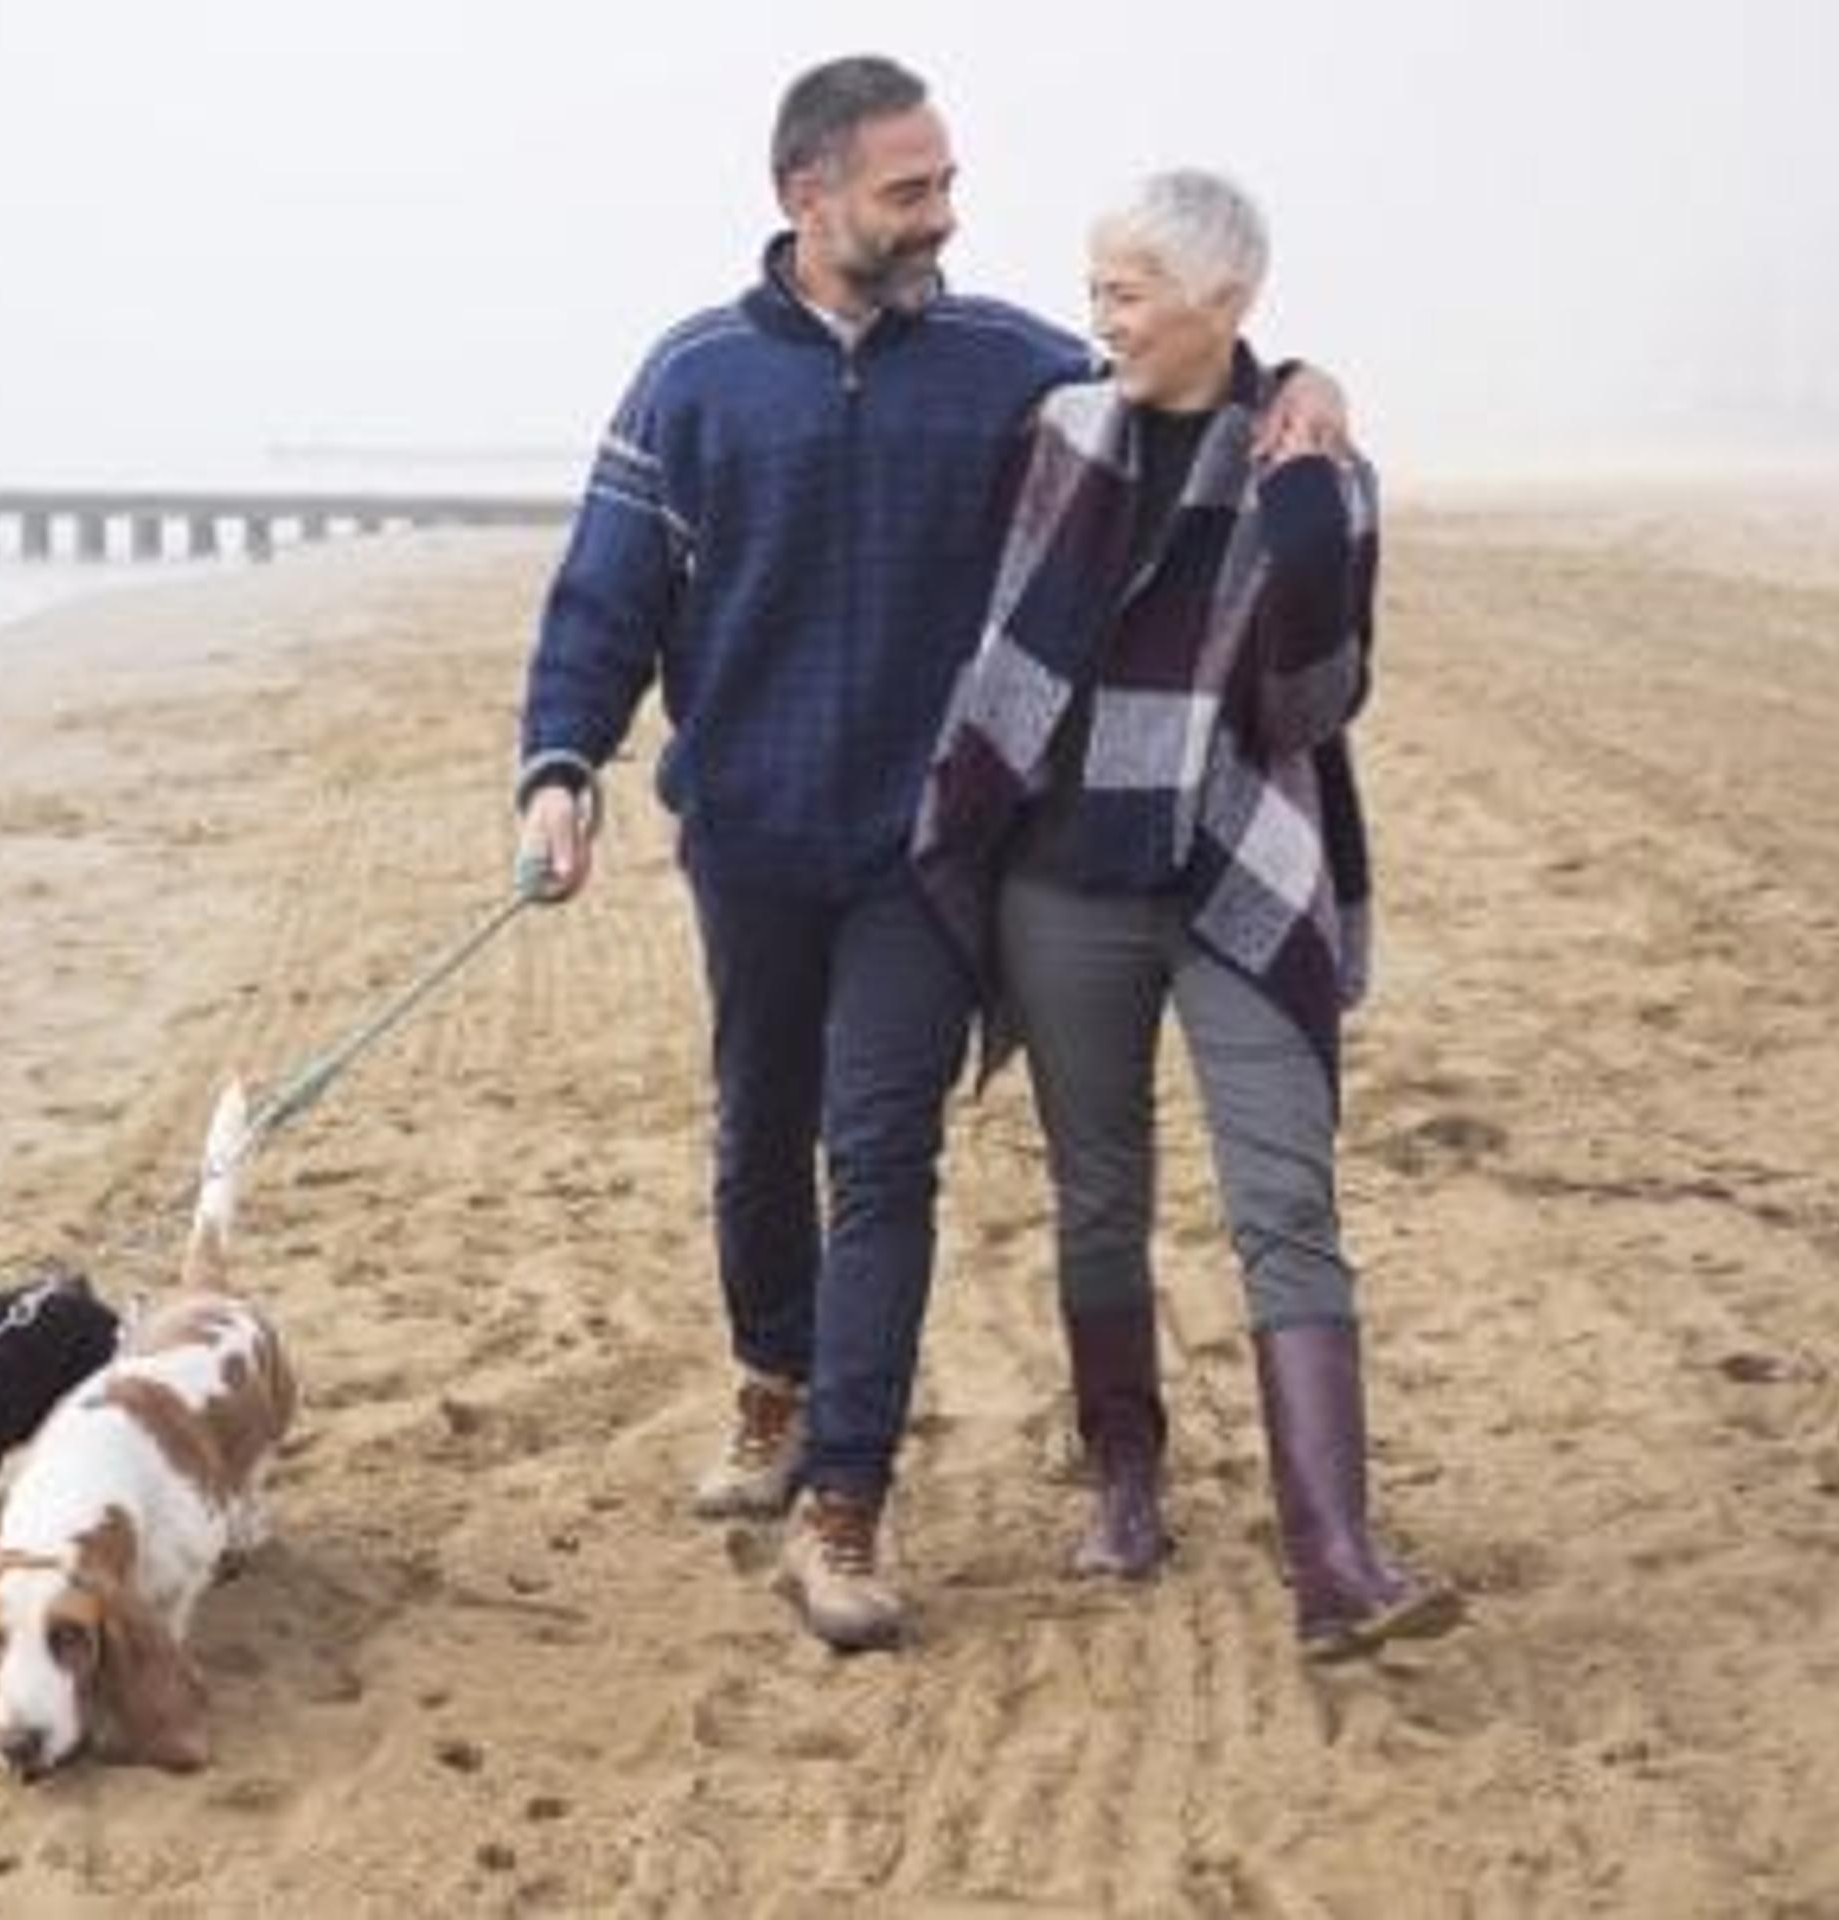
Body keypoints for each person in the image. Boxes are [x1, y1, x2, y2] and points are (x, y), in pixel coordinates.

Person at [511, 57, 1346, 1653]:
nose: (944, 214)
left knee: (882, 1152)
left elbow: (1176, 365)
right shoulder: (690, 378)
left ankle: (847, 1504)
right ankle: (774, 1383)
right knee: (759, 1135)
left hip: (923, 848)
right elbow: (604, 595)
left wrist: (1301, 379)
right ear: (805, 197)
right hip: (748, 836)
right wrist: (562, 768)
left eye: (947, 183)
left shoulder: (1004, 367)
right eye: (911, 189)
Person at [907, 168, 1458, 1660]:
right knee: (1102, 1190)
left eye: (1131, 291)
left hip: (1232, 865)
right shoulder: (1057, 426)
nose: (1104, 317)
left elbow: (1312, 701)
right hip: (1060, 879)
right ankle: (1127, 1480)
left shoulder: (1319, 469)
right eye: (1095, 288)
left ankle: (1335, 1553)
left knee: (1287, 1198)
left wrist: (1298, 514)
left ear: (1225, 302)